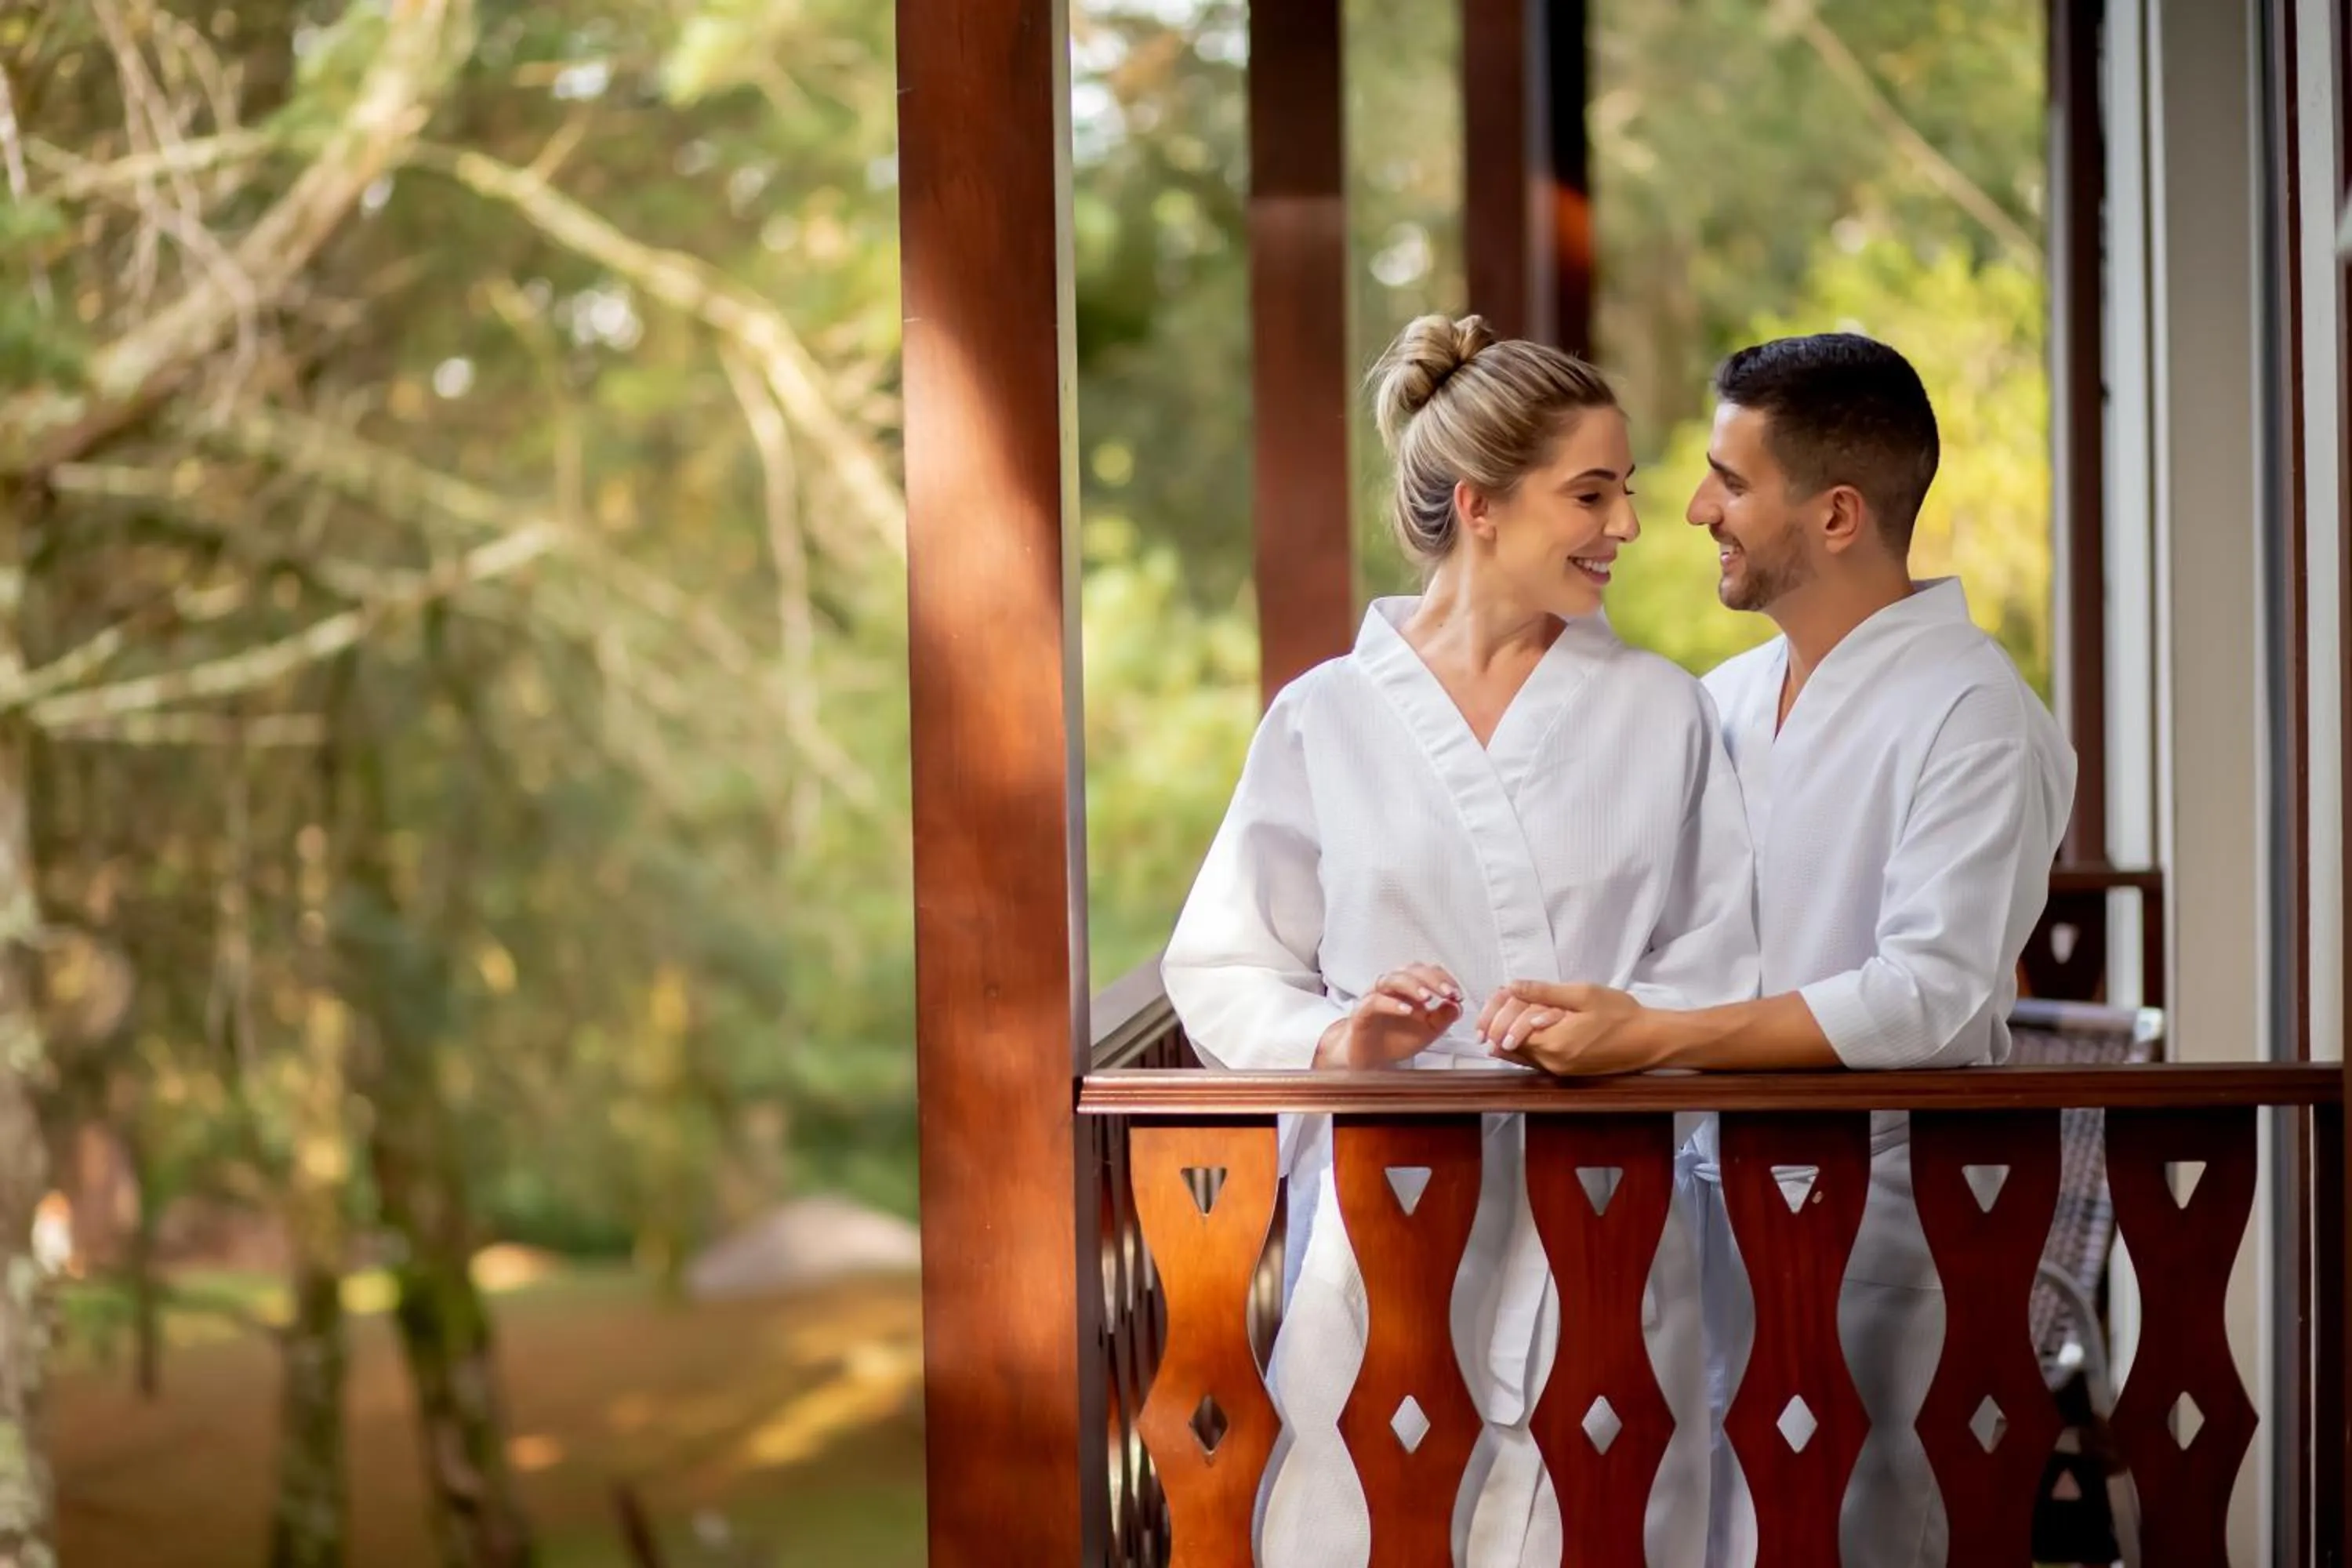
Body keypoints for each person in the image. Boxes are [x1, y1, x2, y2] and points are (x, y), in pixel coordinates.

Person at [1161, 313, 1759, 1567]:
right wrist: (1347, 1035)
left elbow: (1723, 963)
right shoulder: (1324, 718)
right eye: (1591, 494)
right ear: (1481, 505)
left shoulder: (1665, 715)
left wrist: (1618, 1031)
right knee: (1367, 1524)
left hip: (1608, 1219)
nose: (1631, 528)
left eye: (1630, 493)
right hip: (1390, 1223)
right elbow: (1220, 963)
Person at [1483, 332, 2076, 1567]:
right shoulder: (1728, 699)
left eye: (1730, 482)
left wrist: (1655, 1037)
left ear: (1841, 513)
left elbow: (1930, 994)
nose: (1692, 510)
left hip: (1890, 1218)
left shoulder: (1976, 718)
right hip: (1698, 1209)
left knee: (1858, 1538)